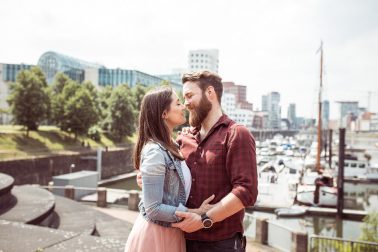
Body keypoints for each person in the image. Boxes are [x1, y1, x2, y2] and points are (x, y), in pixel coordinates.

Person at [138, 71, 258, 252]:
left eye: (189, 96)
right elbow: (162, 179)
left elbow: (246, 192)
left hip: (220, 244)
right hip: (180, 240)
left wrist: (204, 219)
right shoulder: (182, 139)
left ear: (210, 93)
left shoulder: (236, 134)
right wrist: (146, 179)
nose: (185, 104)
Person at [125, 87, 214, 252]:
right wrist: (194, 212)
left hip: (170, 232)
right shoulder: (155, 152)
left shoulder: (173, 145)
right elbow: (153, 208)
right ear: (163, 113)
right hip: (155, 235)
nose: (183, 107)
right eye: (178, 103)